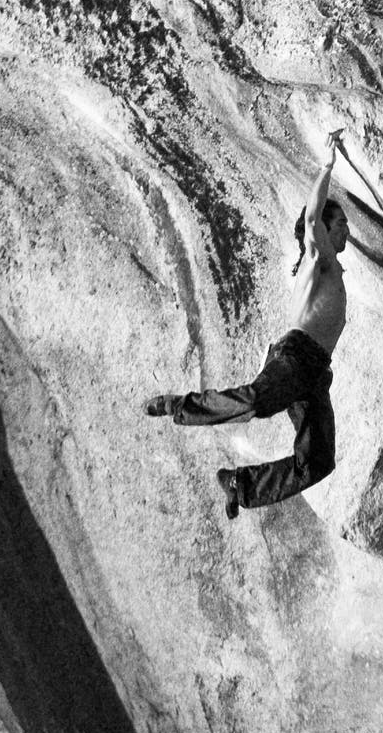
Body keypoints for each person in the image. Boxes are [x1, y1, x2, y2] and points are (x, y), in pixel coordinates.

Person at [145, 156, 353, 517]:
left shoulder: (334, 268)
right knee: (256, 401)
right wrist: (326, 166)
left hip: (315, 373)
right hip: (297, 356)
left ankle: (241, 485)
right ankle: (177, 406)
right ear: (326, 228)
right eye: (342, 223)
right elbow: (311, 217)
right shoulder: (318, 258)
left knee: (318, 461)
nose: (347, 230)